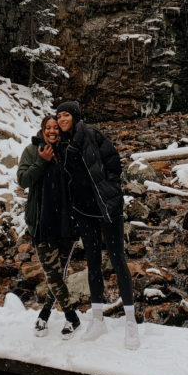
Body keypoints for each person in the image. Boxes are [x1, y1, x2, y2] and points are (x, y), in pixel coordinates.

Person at [56, 99, 140, 350]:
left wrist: (111, 191)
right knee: (92, 262)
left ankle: (131, 321)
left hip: (107, 207)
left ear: (75, 116)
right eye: (59, 116)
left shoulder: (92, 134)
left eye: (66, 115)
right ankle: (97, 318)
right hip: (84, 212)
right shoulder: (62, 144)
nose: (62, 120)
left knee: (118, 259)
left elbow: (114, 163)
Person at [17, 115, 81, 339]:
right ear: (42, 130)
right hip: (42, 223)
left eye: (56, 128)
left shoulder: (67, 151)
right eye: (48, 128)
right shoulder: (31, 151)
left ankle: (44, 313)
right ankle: (72, 317)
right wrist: (41, 162)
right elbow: (23, 180)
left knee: (57, 274)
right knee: (52, 273)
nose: (52, 131)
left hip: (66, 222)